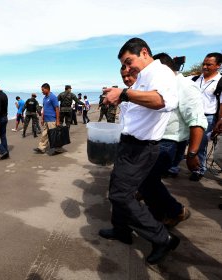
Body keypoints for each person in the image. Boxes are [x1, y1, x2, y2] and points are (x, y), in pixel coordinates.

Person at [99, 38, 179, 265]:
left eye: (129, 61)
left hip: (142, 148)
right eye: (124, 65)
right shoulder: (143, 77)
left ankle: (162, 238)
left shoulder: (160, 72)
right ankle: (121, 229)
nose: (127, 68)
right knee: (116, 187)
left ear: (144, 52)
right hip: (128, 144)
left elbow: (163, 101)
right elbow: (136, 109)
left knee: (121, 195)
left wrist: (124, 93)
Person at [138, 52, 207, 227]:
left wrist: (192, 154)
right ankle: (160, 216)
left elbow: (197, 121)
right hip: (154, 141)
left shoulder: (184, 86)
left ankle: (176, 212)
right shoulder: (161, 85)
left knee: (148, 181)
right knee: (147, 181)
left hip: (170, 143)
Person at [189, 52, 222, 181]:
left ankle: (199, 170)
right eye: (204, 63)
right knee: (184, 142)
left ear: (218, 66)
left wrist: (219, 121)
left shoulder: (220, 81)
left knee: (200, 145)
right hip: (191, 115)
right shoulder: (195, 79)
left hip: (207, 118)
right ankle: (173, 167)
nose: (205, 67)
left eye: (209, 64)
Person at [33, 83, 62, 155]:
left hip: (52, 120)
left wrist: (58, 120)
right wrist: (42, 119)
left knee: (54, 135)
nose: (42, 91)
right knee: (44, 134)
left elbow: (57, 109)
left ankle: (58, 149)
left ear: (47, 89)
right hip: (46, 119)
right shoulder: (44, 98)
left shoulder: (53, 97)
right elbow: (44, 109)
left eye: (43, 90)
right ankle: (41, 148)